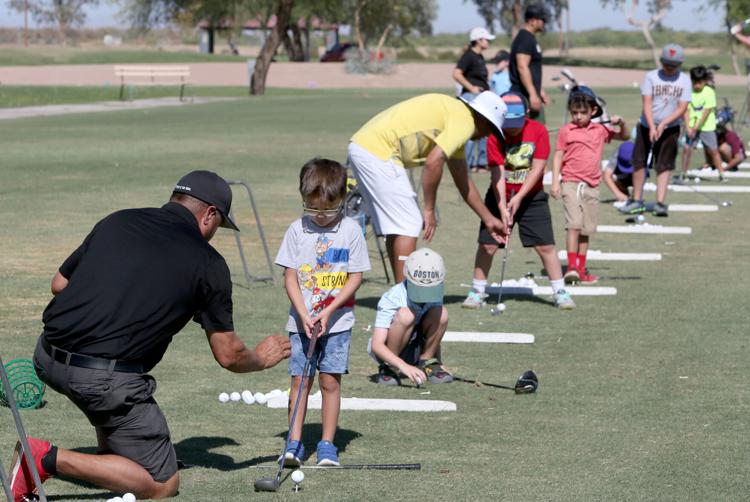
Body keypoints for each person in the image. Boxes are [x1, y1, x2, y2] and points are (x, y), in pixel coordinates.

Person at [12, 171, 292, 502]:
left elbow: (59, 284)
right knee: (161, 483)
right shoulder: (208, 264)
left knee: (112, 381)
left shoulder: (117, 221)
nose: (215, 233)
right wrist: (261, 358)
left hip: (46, 355)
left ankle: (114, 454)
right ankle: (43, 459)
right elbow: (228, 355)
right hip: (100, 380)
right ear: (209, 215)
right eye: (219, 226)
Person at [348, 92, 507, 284]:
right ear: (483, 119)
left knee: (398, 225)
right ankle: (404, 298)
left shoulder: (456, 116)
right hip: (377, 151)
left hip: (364, 146)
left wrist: (488, 219)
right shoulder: (465, 123)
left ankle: (400, 294)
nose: (488, 134)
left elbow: (463, 179)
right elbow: (434, 162)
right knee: (409, 223)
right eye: (491, 128)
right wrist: (429, 209)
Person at [275, 158, 371, 467]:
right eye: (312, 208)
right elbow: (290, 276)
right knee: (301, 381)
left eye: (328, 210)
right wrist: (304, 315)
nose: (320, 215)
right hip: (301, 322)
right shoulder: (296, 231)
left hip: (338, 323)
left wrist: (328, 311)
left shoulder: (351, 231)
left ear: (343, 199)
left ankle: (327, 443)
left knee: (330, 382)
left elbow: (355, 277)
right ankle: (293, 442)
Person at [462, 91, 576, 310]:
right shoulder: (495, 134)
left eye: (515, 123)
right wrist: (502, 206)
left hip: (532, 197)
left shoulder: (538, 131)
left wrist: (520, 197)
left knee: (545, 246)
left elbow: (538, 167)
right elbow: (497, 174)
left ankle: (560, 291)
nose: (511, 128)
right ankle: (477, 291)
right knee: (488, 245)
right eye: (507, 123)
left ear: (525, 114)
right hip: (499, 196)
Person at [550, 86, 629, 285]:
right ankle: (572, 266)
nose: (578, 117)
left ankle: (582, 269)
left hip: (592, 185)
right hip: (570, 182)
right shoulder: (566, 131)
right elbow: (558, 155)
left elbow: (624, 136)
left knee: (586, 230)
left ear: (593, 111)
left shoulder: (600, 130)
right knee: (574, 225)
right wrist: (555, 183)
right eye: (574, 112)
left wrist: (622, 123)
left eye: (583, 113)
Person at [619, 43, 691, 217]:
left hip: (670, 128)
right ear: (661, 61)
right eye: (666, 64)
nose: (669, 68)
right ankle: (636, 200)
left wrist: (664, 124)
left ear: (680, 64)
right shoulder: (651, 76)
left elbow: (682, 108)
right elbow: (647, 103)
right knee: (639, 162)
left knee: (664, 164)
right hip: (646, 126)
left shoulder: (684, 80)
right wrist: (652, 126)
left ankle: (660, 203)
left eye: (673, 65)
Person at [368, 248, 451, 386]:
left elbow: (435, 326)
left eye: (430, 289)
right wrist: (402, 366)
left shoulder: (436, 291)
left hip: (417, 347)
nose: (426, 294)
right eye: (420, 289)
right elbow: (377, 345)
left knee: (441, 312)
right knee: (406, 315)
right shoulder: (393, 297)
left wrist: (438, 362)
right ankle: (389, 368)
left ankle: (427, 362)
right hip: (390, 351)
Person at [453, 27, 496, 173]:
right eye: (486, 39)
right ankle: (469, 163)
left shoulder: (479, 57)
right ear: (478, 40)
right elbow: (457, 73)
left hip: (482, 98)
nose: (488, 41)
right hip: (471, 97)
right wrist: (471, 88)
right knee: (471, 131)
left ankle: (481, 163)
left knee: (484, 130)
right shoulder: (469, 56)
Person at [678, 65, 726, 183]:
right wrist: (689, 127)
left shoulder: (709, 92)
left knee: (713, 150)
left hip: (707, 126)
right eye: (695, 83)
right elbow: (686, 110)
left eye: (700, 83)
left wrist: (696, 127)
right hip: (692, 126)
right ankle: (683, 173)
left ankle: (721, 173)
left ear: (705, 81)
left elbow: (706, 112)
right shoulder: (688, 91)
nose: (697, 86)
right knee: (687, 149)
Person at [509, 3, 549, 123]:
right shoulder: (525, 39)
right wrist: (532, 94)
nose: (544, 23)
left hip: (530, 95)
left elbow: (531, 69)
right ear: (532, 21)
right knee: (529, 136)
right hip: (523, 97)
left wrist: (540, 91)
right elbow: (522, 67)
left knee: (538, 133)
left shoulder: (530, 38)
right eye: (542, 19)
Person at [602, 140, 640, 204]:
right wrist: (618, 194)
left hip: (635, 176)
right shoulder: (617, 154)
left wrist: (636, 196)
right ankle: (624, 193)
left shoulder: (640, 154)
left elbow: (643, 176)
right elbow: (606, 176)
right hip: (621, 176)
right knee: (612, 176)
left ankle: (635, 196)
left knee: (639, 175)